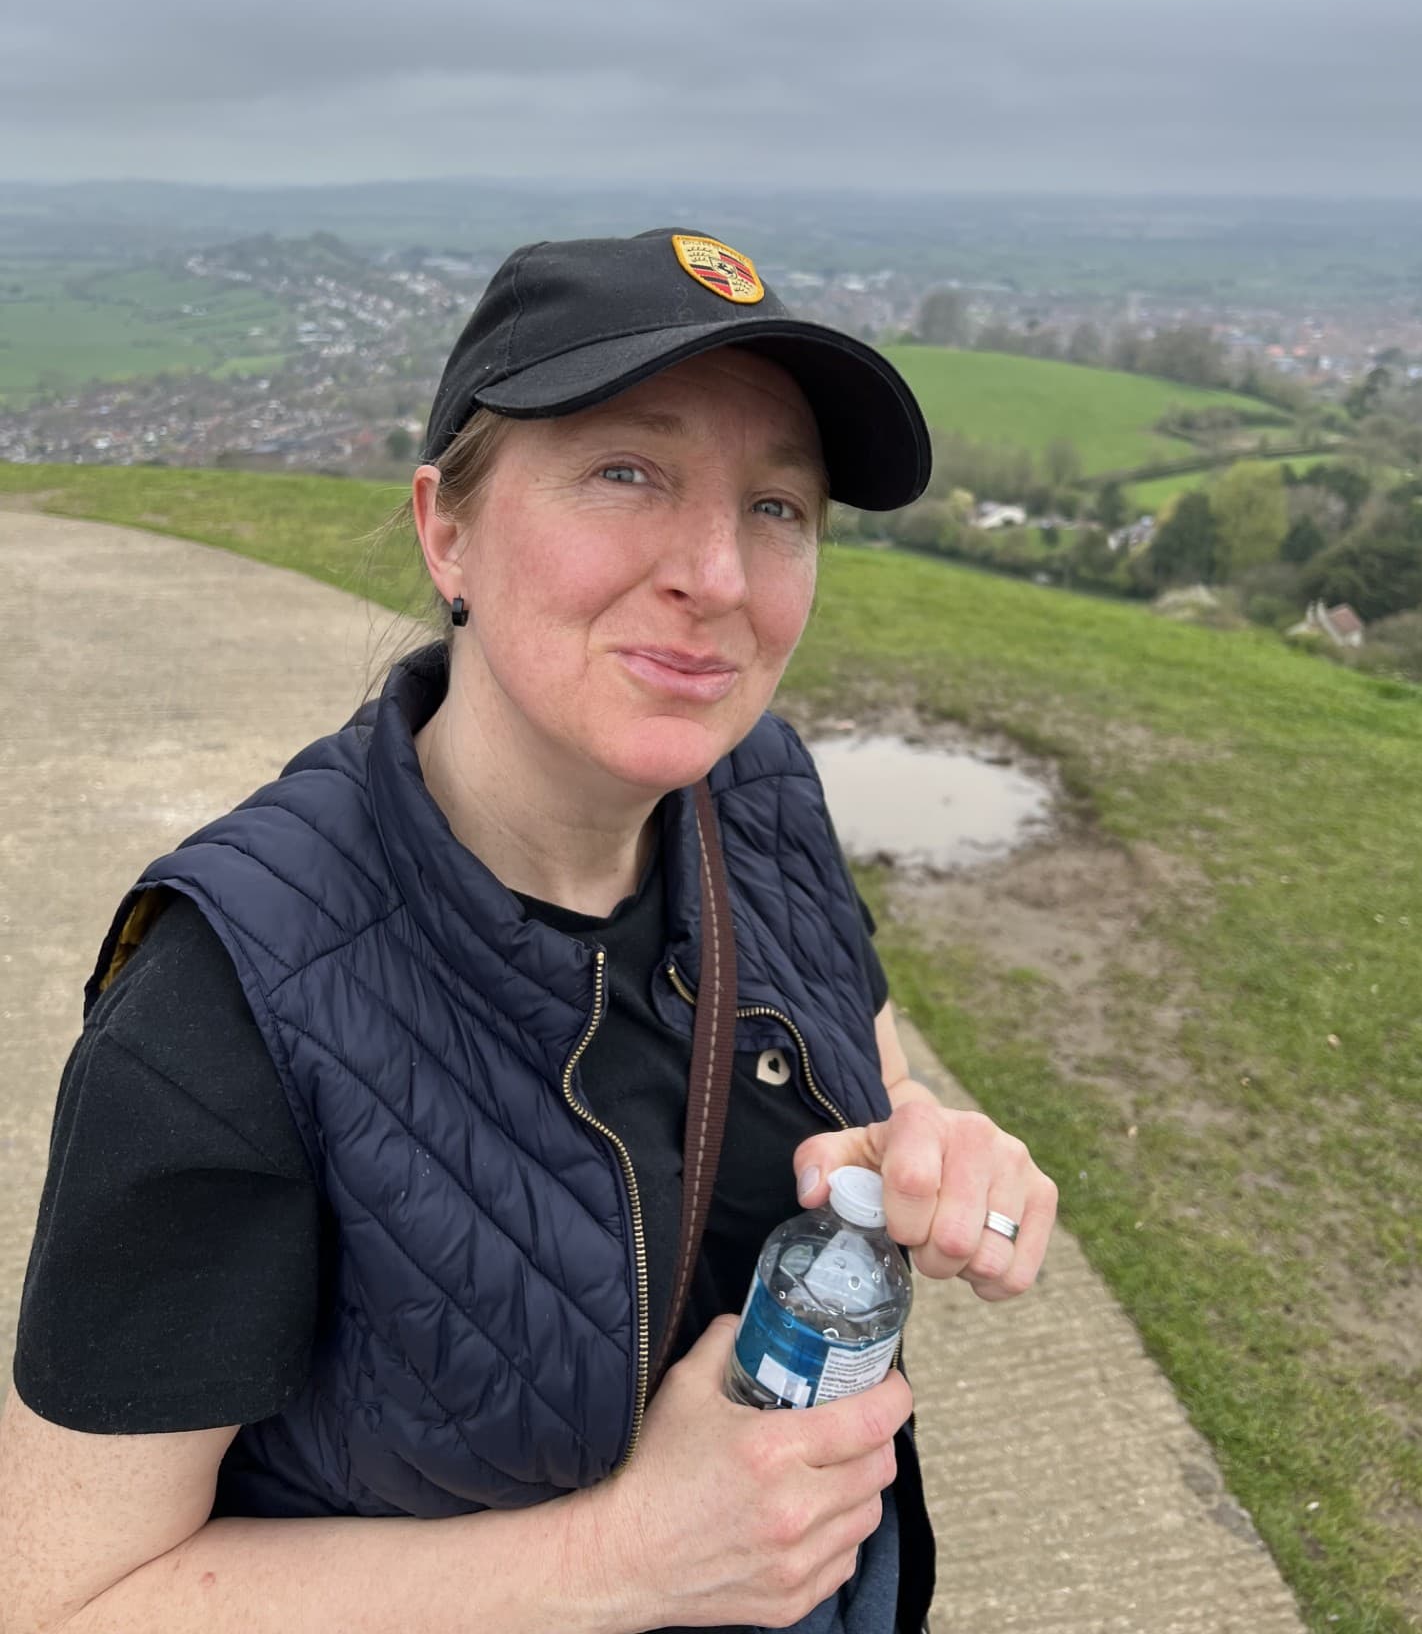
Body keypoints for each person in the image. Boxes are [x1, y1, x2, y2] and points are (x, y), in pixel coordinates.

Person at [1, 227, 1059, 1634]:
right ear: (447, 526)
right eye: (628, 471)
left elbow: (865, 1082)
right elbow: (70, 1602)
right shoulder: (228, 1009)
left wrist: (926, 1151)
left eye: (778, 506)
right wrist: (620, 1558)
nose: (719, 576)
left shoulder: (758, 790)